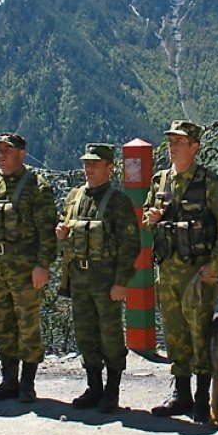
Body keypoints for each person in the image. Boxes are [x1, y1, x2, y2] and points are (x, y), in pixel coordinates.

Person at [142, 119, 218, 424]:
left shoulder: (208, 183)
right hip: (167, 270)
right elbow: (146, 217)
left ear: (194, 147)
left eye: (179, 142)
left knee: (199, 335)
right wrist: (152, 216)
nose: (172, 147)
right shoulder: (160, 180)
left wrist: (215, 265)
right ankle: (180, 394)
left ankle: (202, 399)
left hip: (197, 274)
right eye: (171, 142)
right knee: (174, 334)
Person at [0, 132, 57, 402]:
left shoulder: (36, 187)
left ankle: (27, 383)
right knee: (1, 323)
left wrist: (42, 265)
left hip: (24, 267)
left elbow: (47, 231)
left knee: (27, 323)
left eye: (9, 150)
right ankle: (8, 380)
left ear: (22, 154)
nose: (2, 154)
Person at [56, 143, 141, 412]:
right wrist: (61, 233)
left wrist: (121, 282)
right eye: (86, 163)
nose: (89, 168)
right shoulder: (74, 197)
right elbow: (65, 230)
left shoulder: (118, 202)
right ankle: (93, 387)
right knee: (86, 334)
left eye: (95, 163)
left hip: (106, 281)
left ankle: (112, 390)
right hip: (79, 278)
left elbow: (130, 245)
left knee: (110, 335)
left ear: (109, 167)